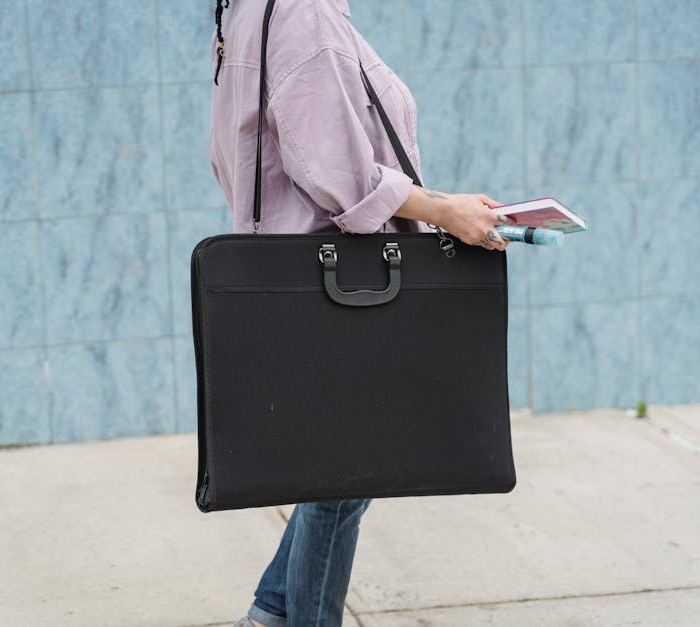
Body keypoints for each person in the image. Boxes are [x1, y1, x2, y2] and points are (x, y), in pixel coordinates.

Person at [209, 1, 512, 625]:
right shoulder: (302, 10)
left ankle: (269, 613)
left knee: (342, 470)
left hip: (305, 268)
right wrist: (443, 210)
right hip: (342, 276)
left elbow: (238, 152)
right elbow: (338, 172)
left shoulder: (251, 8)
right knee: (344, 474)